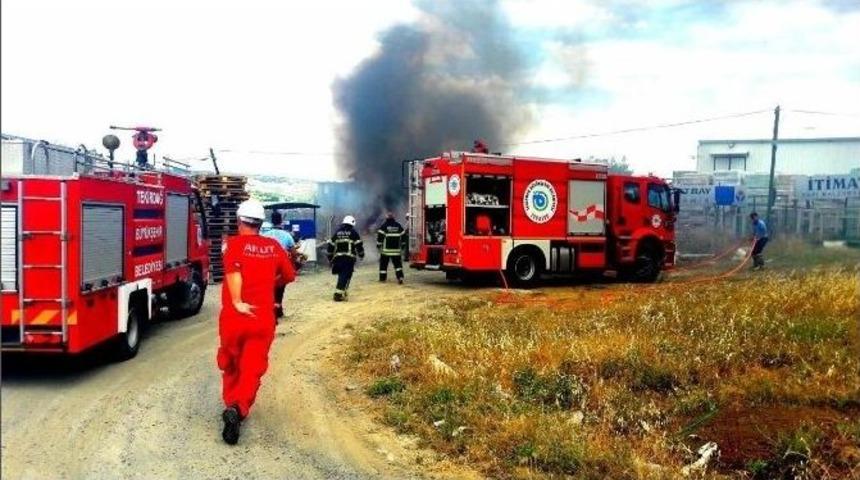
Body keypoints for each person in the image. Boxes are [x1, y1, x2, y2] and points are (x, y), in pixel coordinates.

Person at [217, 199, 296, 445]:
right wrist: (269, 285)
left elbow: (233, 273)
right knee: (252, 366)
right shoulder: (273, 246)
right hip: (262, 318)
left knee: (231, 361)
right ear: (261, 223)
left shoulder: (232, 245)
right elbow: (290, 275)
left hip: (234, 318)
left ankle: (231, 401)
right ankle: (239, 408)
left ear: (239, 221)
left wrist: (240, 299)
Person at [261, 210, 295, 319]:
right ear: (281, 221)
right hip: (280, 266)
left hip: (266, 265)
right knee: (280, 288)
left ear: (271, 221)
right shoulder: (287, 235)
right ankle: (278, 310)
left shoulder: (264, 235)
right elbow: (293, 252)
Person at [326, 215, 364, 301]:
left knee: (342, 275)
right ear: (352, 224)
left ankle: (343, 291)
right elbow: (359, 245)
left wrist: (330, 257)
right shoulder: (353, 233)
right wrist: (361, 255)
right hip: (348, 259)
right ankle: (338, 294)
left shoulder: (337, 232)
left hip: (338, 259)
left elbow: (331, 245)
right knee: (345, 275)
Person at [376, 212, 406, 283]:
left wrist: (378, 246)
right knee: (398, 265)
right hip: (396, 251)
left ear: (386, 219)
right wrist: (403, 245)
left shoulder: (384, 226)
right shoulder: (398, 226)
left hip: (386, 251)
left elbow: (380, 237)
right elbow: (403, 236)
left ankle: (382, 279)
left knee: (383, 265)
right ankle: (400, 277)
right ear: (393, 218)